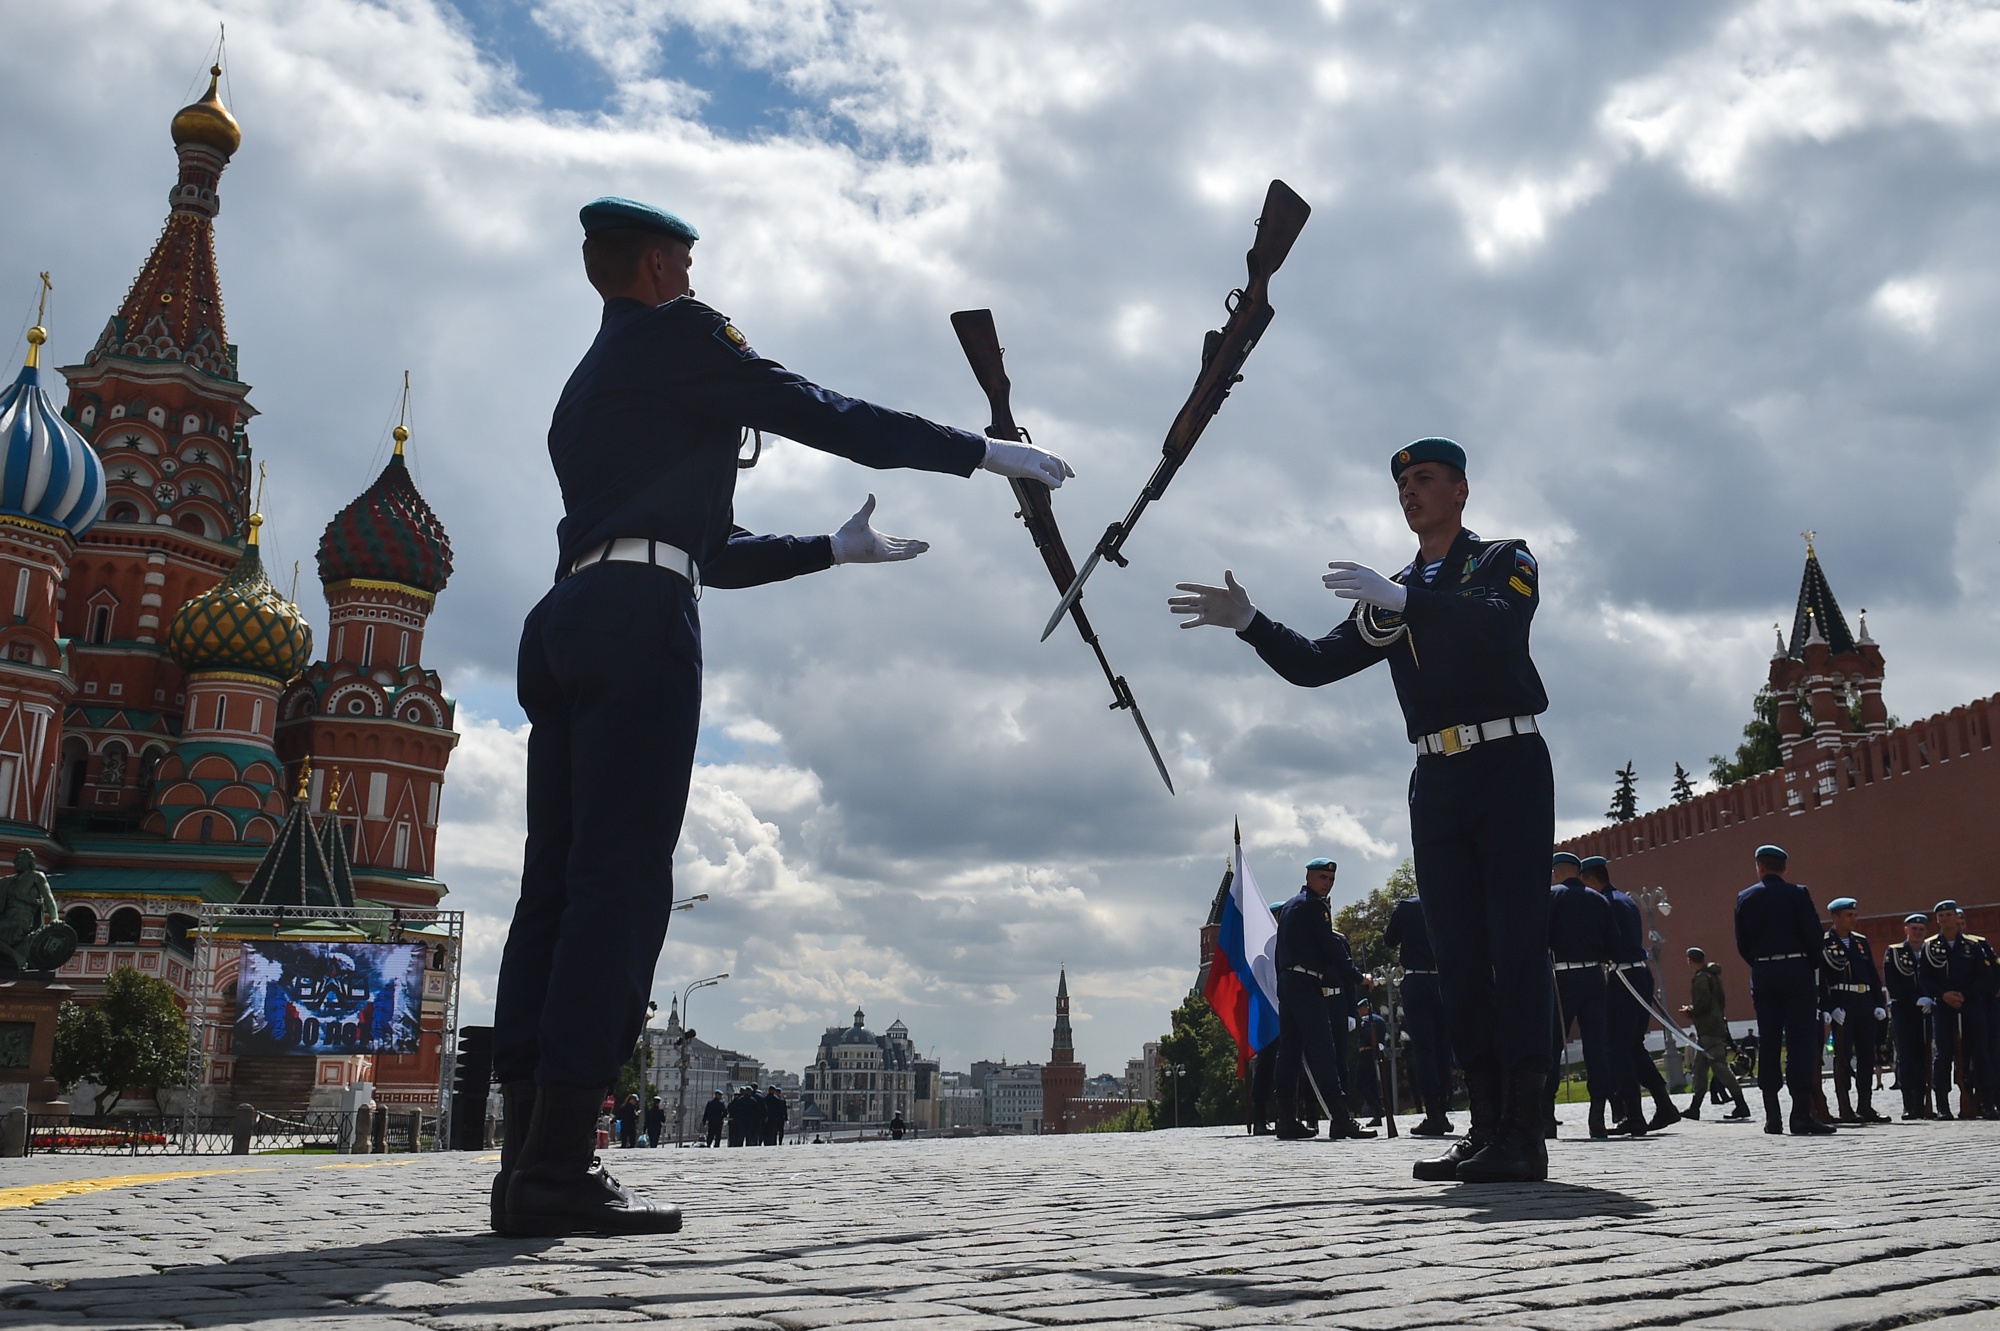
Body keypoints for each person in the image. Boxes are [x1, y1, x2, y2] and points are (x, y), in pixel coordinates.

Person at [490, 197, 1074, 1237]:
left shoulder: (587, 388)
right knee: (617, 891)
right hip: (637, 621)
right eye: (690, 258)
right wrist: (980, 453)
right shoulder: (683, 334)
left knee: (552, 894)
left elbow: (710, 547)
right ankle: (560, 1168)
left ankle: (527, 1157)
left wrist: (824, 549)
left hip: (564, 617)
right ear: (666, 266)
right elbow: (818, 407)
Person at [1169, 438, 1552, 1183]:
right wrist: (1252, 622)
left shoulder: (1505, 557)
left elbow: (1498, 622)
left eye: (1425, 478)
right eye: (1402, 481)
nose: (1410, 490)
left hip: (1508, 764)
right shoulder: (1393, 590)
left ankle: (1526, 1128)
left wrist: (1410, 600)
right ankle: (1485, 1125)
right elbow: (1317, 663)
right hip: (1436, 776)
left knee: (1515, 944)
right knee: (1460, 957)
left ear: (1461, 491)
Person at [1734, 845, 1834, 1136]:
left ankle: (1772, 1116)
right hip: (1796, 971)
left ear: (1759, 867)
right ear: (1784, 868)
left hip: (1764, 973)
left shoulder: (1745, 898)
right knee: (1800, 1042)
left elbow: (1742, 942)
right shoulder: (1798, 894)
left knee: (1769, 1042)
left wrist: (1761, 964)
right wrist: (1805, 965)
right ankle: (1801, 1114)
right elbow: (1815, 937)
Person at [1270, 857, 1370, 1141]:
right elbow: (1330, 947)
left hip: (1289, 982)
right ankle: (1340, 1119)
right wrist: (1357, 977)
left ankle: (1286, 1119)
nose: (1327, 885)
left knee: (1289, 1052)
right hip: (1304, 984)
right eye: (1322, 879)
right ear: (1309, 877)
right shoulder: (1314, 906)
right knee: (1323, 1048)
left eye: (1331, 881)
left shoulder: (1290, 905)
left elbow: (1282, 949)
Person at [1579, 857, 1677, 1133]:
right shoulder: (1624, 899)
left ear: (1588, 879)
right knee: (1632, 1045)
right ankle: (1663, 1103)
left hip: (1623, 976)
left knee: (1616, 1047)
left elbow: (1605, 941)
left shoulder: (1604, 902)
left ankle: (1634, 1115)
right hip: (1638, 973)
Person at [1547, 852, 1617, 1139]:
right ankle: (1597, 1117)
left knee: (1552, 1046)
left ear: (1556, 872)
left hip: (1562, 977)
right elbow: (1614, 943)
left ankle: (1546, 1118)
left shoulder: (1551, 897)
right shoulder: (1598, 899)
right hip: (1594, 978)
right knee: (1597, 1048)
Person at [1919, 900, 1998, 1120]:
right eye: (1941, 916)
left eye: (1949, 915)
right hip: (1943, 1007)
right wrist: (1943, 995)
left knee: (1980, 1052)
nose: (1945, 919)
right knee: (1944, 1054)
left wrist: (1965, 994)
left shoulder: (1973, 946)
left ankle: (1987, 1102)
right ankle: (1943, 1105)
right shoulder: (1930, 946)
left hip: (1971, 1005)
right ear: (1937, 920)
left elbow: (1986, 978)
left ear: (1957, 918)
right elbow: (1924, 978)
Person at [1383, 893, 1455, 1136]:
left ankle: (1433, 1113)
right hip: (1444, 980)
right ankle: (1444, 1108)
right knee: (1444, 1049)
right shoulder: (1448, 902)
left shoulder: (1407, 907)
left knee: (1424, 1050)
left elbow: (1389, 939)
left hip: (1416, 980)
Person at [1817, 897, 1889, 1124]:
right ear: (1835, 917)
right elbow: (1822, 979)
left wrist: (1879, 1002)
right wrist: (1829, 1007)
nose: (1854, 919)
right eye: (1849, 915)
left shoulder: (1860, 941)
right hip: (1843, 1003)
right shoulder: (1825, 942)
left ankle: (1865, 1105)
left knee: (1867, 1056)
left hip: (1864, 1002)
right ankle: (1845, 1107)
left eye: (1855, 914)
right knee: (1843, 1057)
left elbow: (1872, 974)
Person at [1679, 947, 1750, 1121]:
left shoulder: (1702, 979)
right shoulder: (1713, 977)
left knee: (1719, 1067)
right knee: (1700, 1069)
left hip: (1709, 1029)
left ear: (1690, 960)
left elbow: (1703, 1004)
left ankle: (1741, 1105)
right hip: (1710, 1028)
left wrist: (1689, 1011)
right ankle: (1695, 1108)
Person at [1882, 913, 1933, 1119]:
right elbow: (1893, 984)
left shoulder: (1931, 951)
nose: (1918, 933)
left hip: (1928, 1010)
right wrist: (1915, 999)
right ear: (1906, 929)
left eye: (1921, 929)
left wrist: (1931, 997)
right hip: (1904, 1010)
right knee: (1907, 1056)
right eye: (1914, 929)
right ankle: (1909, 1103)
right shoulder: (1894, 952)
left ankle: (1923, 1102)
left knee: (1925, 1056)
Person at [1351, 999, 1388, 1125]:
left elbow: (1366, 1036)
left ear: (1366, 1008)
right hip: (1376, 1054)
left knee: (1361, 1085)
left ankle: (1378, 1109)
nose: (1359, 1012)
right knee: (1373, 1086)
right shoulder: (1380, 1020)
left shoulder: (1367, 1021)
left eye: (1361, 1009)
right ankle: (1377, 1115)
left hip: (1367, 1054)